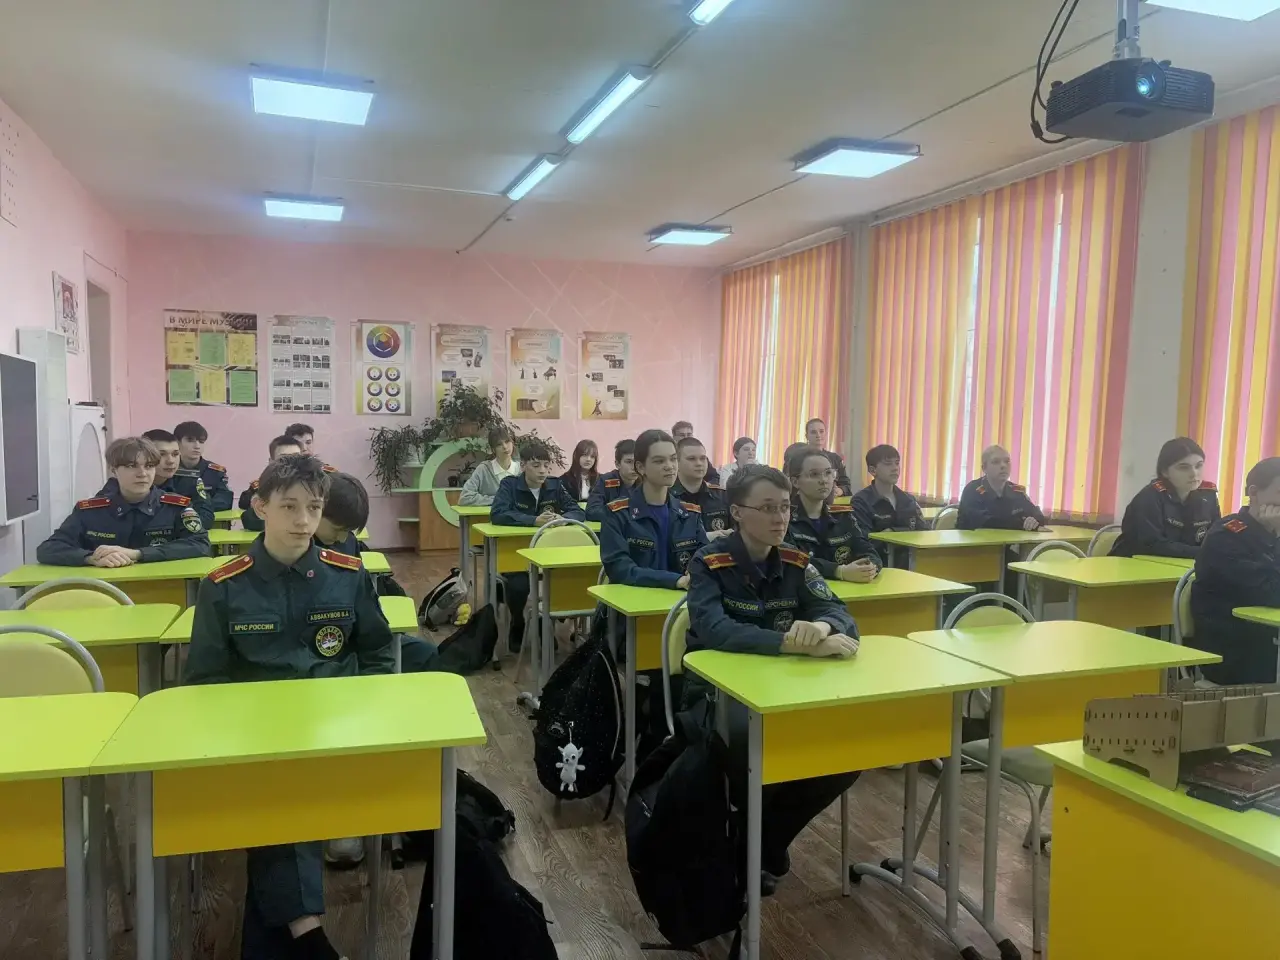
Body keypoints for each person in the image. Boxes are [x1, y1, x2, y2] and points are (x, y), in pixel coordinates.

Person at [184, 455, 393, 960]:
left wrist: (365, 713)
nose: (303, 521)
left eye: (314, 508)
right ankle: (307, 934)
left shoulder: (347, 574)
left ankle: (297, 935)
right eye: (289, 507)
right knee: (280, 789)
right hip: (261, 737)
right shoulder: (223, 585)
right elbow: (205, 680)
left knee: (279, 804)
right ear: (260, 507)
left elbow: (379, 654)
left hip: (336, 728)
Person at [685, 464, 860, 892]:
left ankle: (762, 841)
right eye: (767, 508)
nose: (780, 518)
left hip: (785, 691)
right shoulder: (709, 562)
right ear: (737, 513)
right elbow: (715, 630)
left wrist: (820, 627)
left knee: (847, 755)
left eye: (784, 507)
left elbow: (839, 612)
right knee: (752, 750)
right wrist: (790, 643)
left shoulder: (796, 559)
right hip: (717, 695)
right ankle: (753, 843)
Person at [37, 436, 211, 566]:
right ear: (113, 470)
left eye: (149, 466)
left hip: (161, 589)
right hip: (103, 592)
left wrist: (137, 554)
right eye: (131, 466)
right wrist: (90, 558)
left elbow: (200, 544)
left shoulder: (175, 507)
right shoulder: (90, 511)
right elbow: (49, 549)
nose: (142, 473)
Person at [1191, 457, 1280, 685]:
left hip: (1267, 640)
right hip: (1234, 650)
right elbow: (1272, 593)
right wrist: (1274, 536)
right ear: (1254, 492)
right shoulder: (1226, 537)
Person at [491, 439, 585, 653]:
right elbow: (498, 514)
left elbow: (578, 511)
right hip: (518, 555)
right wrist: (533, 521)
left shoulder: (555, 485)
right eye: (536, 465)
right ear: (523, 465)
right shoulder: (509, 485)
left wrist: (562, 518)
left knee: (569, 580)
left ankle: (546, 624)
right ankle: (517, 623)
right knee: (518, 586)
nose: (543, 470)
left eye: (546, 465)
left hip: (551, 555)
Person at [600, 430, 707, 589]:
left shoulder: (690, 514)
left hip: (683, 600)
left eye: (673, 459)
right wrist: (674, 580)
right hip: (634, 600)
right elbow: (620, 569)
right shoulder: (618, 514)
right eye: (659, 461)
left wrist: (697, 573)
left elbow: (705, 558)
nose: (669, 466)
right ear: (640, 467)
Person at [1111, 438, 1221, 558]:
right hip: (1135, 563)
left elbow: (1216, 537)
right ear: (1165, 472)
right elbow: (1152, 545)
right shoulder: (1149, 497)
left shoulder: (1208, 496)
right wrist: (1204, 553)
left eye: (1198, 466)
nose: (1194, 474)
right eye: (1184, 467)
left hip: (1183, 563)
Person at [786, 445, 881, 582]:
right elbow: (791, 559)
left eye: (828, 473)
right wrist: (838, 571)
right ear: (795, 482)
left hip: (848, 590)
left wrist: (870, 568)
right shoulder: (784, 519)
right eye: (814, 474)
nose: (824, 480)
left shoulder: (843, 516)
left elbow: (867, 550)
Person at [851, 444, 926, 566]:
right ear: (873, 470)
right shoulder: (861, 501)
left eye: (897, 463)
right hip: (877, 564)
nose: (895, 468)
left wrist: (892, 531)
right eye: (888, 464)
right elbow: (862, 540)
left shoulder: (908, 499)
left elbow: (924, 533)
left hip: (910, 563)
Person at [956, 445, 1047, 531]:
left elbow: (1036, 513)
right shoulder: (973, 490)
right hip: (973, 541)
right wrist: (1021, 523)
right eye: (996, 462)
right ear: (984, 468)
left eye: (1007, 461)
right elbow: (985, 522)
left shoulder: (1017, 490)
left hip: (1008, 541)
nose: (1003, 466)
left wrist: (1034, 521)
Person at [141, 428, 214, 530]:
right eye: (162, 454)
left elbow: (206, 518)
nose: (170, 461)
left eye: (175, 454)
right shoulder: (130, 483)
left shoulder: (190, 482)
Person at [240, 435, 306, 532]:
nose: (291, 463)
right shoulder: (266, 488)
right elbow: (250, 520)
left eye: (296, 457)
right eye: (283, 459)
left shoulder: (314, 487)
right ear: (271, 462)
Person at [673, 436, 732, 540]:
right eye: (692, 459)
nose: (699, 463)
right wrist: (705, 538)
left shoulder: (722, 496)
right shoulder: (666, 497)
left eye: (703, 458)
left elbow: (736, 531)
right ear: (677, 463)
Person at [173, 420, 233, 512]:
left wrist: (195, 507)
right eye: (190, 440)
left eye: (201, 441)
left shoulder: (215, 472)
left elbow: (224, 501)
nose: (197, 446)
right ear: (177, 442)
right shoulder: (168, 469)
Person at [458, 426, 521, 507]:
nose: (505, 447)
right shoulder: (484, 469)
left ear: (512, 443)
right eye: (499, 444)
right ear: (493, 449)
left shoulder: (521, 470)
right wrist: (498, 499)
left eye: (507, 441)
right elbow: (465, 498)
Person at [586, 438, 638, 522]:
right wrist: (621, 506)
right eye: (629, 462)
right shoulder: (606, 481)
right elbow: (591, 512)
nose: (634, 467)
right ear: (617, 464)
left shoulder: (647, 483)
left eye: (637, 462)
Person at [804, 418, 852, 496]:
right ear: (807, 436)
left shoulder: (835, 458)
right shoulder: (797, 459)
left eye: (821, 431)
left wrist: (840, 490)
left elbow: (846, 484)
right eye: (813, 432)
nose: (818, 435)